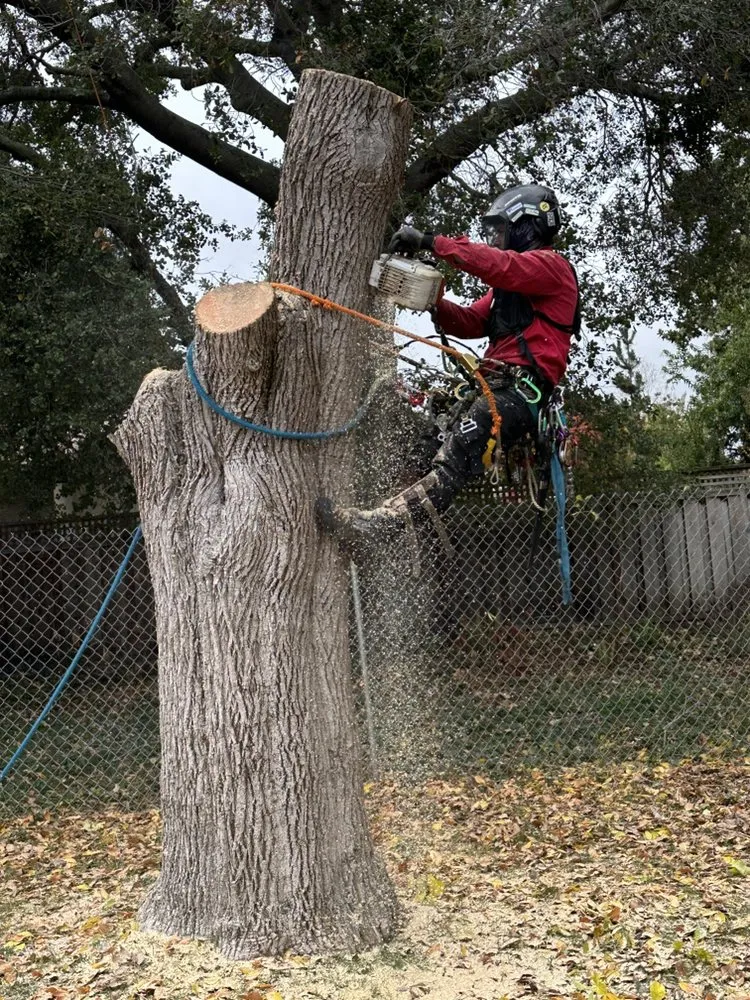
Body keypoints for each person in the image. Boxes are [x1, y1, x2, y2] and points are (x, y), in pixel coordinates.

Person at [317, 182, 580, 544]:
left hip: (521, 395)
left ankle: (379, 529)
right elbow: (471, 322)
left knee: (454, 457)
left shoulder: (551, 268)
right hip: (494, 388)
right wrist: (434, 301)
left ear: (525, 225)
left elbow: (499, 266)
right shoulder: (507, 288)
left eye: (502, 229)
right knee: (428, 444)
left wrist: (431, 242)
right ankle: (379, 514)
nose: (496, 239)